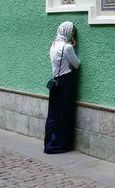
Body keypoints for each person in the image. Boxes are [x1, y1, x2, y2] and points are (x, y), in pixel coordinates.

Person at [44, 21, 80, 154]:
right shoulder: (67, 47)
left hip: (55, 81)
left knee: (53, 113)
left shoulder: (53, 45)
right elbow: (76, 64)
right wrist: (73, 48)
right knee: (64, 113)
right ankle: (60, 143)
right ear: (68, 32)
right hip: (66, 82)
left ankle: (49, 142)